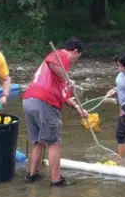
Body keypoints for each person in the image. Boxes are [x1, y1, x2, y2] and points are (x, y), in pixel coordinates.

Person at [22, 37, 88, 186]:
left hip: (29, 100)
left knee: (39, 141)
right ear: (75, 52)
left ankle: (32, 175)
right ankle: (56, 180)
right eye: (78, 57)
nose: (76, 60)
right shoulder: (60, 56)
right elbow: (51, 62)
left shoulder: (61, 68)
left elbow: (65, 95)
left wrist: (79, 108)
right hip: (45, 101)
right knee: (54, 143)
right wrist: (67, 77)